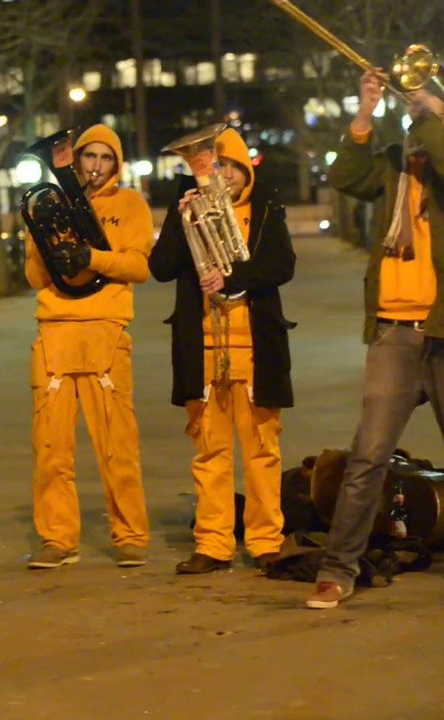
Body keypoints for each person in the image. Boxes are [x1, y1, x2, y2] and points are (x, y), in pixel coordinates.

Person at [308, 67, 444, 608]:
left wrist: (429, 117)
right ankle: (338, 567)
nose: (415, 109)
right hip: (394, 330)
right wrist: (363, 113)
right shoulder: (395, 162)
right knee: (368, 455)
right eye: (412, 101)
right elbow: (345, 176)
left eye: (425, 99)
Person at [149, 128, 296, 574]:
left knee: (261, 453)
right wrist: (179, 220)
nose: (223, 176)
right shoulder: (190, 209)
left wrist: (234, 278)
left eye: (230, 167)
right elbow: (160, 268)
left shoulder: (266, 210)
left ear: (245, 170)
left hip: (256, 349)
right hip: (204, 351)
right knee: (209, 453)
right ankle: (213, 544)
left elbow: (282, 265)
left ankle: (265, 539)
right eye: (216, 166)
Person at [23, 124, 152, 570]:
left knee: (117, 443)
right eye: (88, 157)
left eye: (105, 158)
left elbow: (138, 266)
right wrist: (46, 249)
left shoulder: (130, 203)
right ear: (75, 161)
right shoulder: (50, 203)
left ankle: (130, 534)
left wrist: (92, 259)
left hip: (106, 330)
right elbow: (36, 279)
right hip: (54, 331)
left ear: (117, 164)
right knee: (51, 447)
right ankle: (57, 538)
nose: (96, 167)